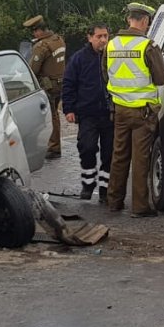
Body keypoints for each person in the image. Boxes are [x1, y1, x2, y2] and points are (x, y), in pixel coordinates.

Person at [105, 3, 164, 217]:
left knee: (119, 155)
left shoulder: (111, 45)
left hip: (120, 109)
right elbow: (162, 78)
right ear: (144, 21)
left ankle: (114, 201)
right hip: (143, 112)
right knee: (141, 158)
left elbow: (105, 75)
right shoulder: (147, 46)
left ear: (128, 20)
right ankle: (140, 206)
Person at [62, 23, 113, 202]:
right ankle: (88, 183)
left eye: (105, 36)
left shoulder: (112, 57)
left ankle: (106, 189)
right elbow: (68, 84)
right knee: (87, 147)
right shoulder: (78, 59)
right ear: (90, 37)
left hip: (109, 113)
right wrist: (68, 108)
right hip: (87, 113)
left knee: (110, 152)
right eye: (99, 36)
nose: (103, 40)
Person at [24, 15, 67, 159]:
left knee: (51, 116)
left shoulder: (41, 46)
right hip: (60, 84)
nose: (34, 34)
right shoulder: (59, 40)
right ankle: (54, 145)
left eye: (35, 31)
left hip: (47, 87)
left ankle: (54, 147)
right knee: (55, 115)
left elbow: (33, 69)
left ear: (40, 31)